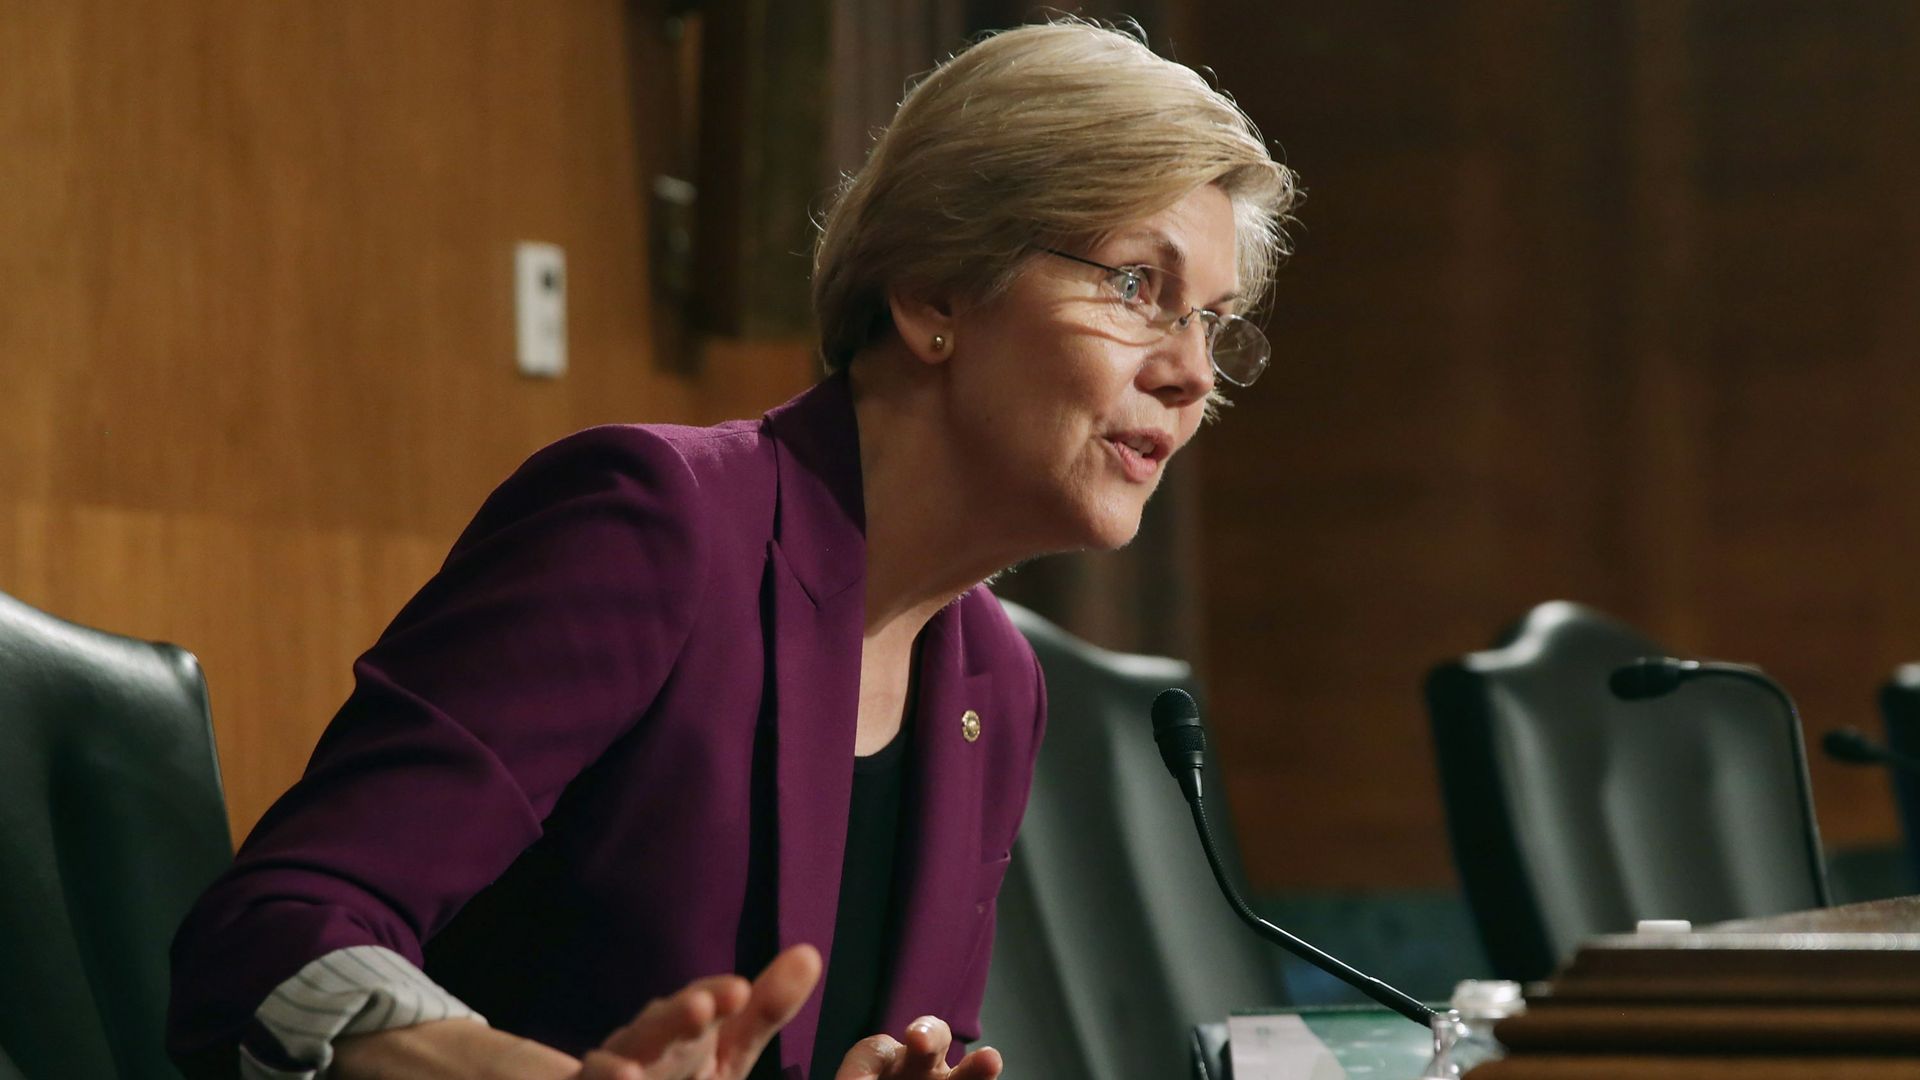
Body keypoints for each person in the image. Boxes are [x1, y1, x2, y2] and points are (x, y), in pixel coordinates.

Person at [168, 19, 1296, 1080]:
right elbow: (269, 935)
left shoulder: (993, 681)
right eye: (1138, 287)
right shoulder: (658, 526)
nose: (1190, 373)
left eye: (1211, 320)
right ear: (933, 290)